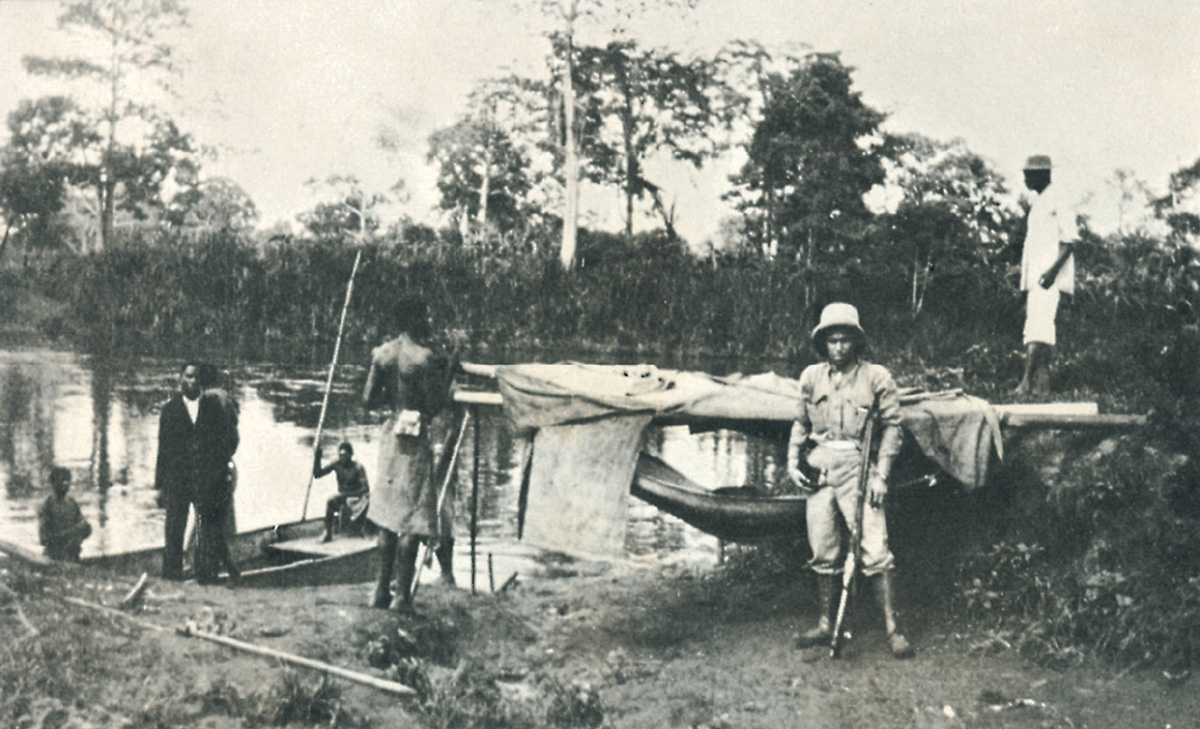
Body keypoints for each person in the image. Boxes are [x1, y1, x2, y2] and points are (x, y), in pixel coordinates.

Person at [787, 302, 913, 659]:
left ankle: (893, 630)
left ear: (856, 342)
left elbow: (892, 427)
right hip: (820, 467)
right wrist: (792, 461)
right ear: (823, 343)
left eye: (845, 340)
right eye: (832, 340)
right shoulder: (811, 377)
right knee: (822, 550)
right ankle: (826, 624)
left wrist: (881, 476)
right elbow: (800, 423)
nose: (839, 347)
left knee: (875, 550)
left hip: (859, 468)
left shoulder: (876, 377)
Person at [363, 298, 457, 611]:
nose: (428, 322)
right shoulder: (424, 358)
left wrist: (394, 399)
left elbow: (367, 400)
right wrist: (449, 372)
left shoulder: (382, 354)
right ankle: (402, 596)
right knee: (413, 516)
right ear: (415, 319)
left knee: (388, 516)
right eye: (424, 316)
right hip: (415, 436)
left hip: (391, 433)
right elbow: (433, 406)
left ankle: (379, 590)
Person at [154, 361, 240, 584]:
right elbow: (163, 450)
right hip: (178, 481)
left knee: (207, 531)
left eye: (196, 378)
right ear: (180, 378)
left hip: (206, 480)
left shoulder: (213, 408)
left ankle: (206, 577)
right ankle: (171, 577)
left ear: (202, 381)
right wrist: (159, 486)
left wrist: (220, 472)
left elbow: (227, 442)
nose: (192, 382)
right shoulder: (170, 410)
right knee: (174, 530)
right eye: (189, 377)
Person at [1015, 154, 1077, 397]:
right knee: (1038, 328)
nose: (1025, 179)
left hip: (1048, 276)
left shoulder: (1058, 198)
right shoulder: (1039, 203)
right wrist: (1024, 285)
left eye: (1028, 175)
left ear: (1042, 174)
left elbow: (1069, 240)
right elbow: (1031, 248)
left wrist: (1052, 271)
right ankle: (1042, 387)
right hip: (1036, 279)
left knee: (1038, 328)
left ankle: (1026, 381)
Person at [313, 441, 370, 542]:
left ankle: (361, 528)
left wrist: (347, 495)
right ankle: (328, 533)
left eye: (345, 455)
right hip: (343, 497)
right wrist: (317, 458)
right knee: (330, 501)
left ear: (351, 455)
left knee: (359, 501)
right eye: (340, 455)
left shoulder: (358, 467)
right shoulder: (337, 464)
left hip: (357, 498)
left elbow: (365, 489)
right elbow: (317, 474)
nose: (342, 458)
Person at [38, 467, 92, 562]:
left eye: (67, 480)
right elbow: (44, 539)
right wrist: (72, 532)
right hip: (54, 558)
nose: (65, 484)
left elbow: (85, 529)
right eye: (61, 480)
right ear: (53, 483)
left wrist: (85, 528)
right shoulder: (48, 505)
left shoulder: (72, 503)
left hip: (73, 556)